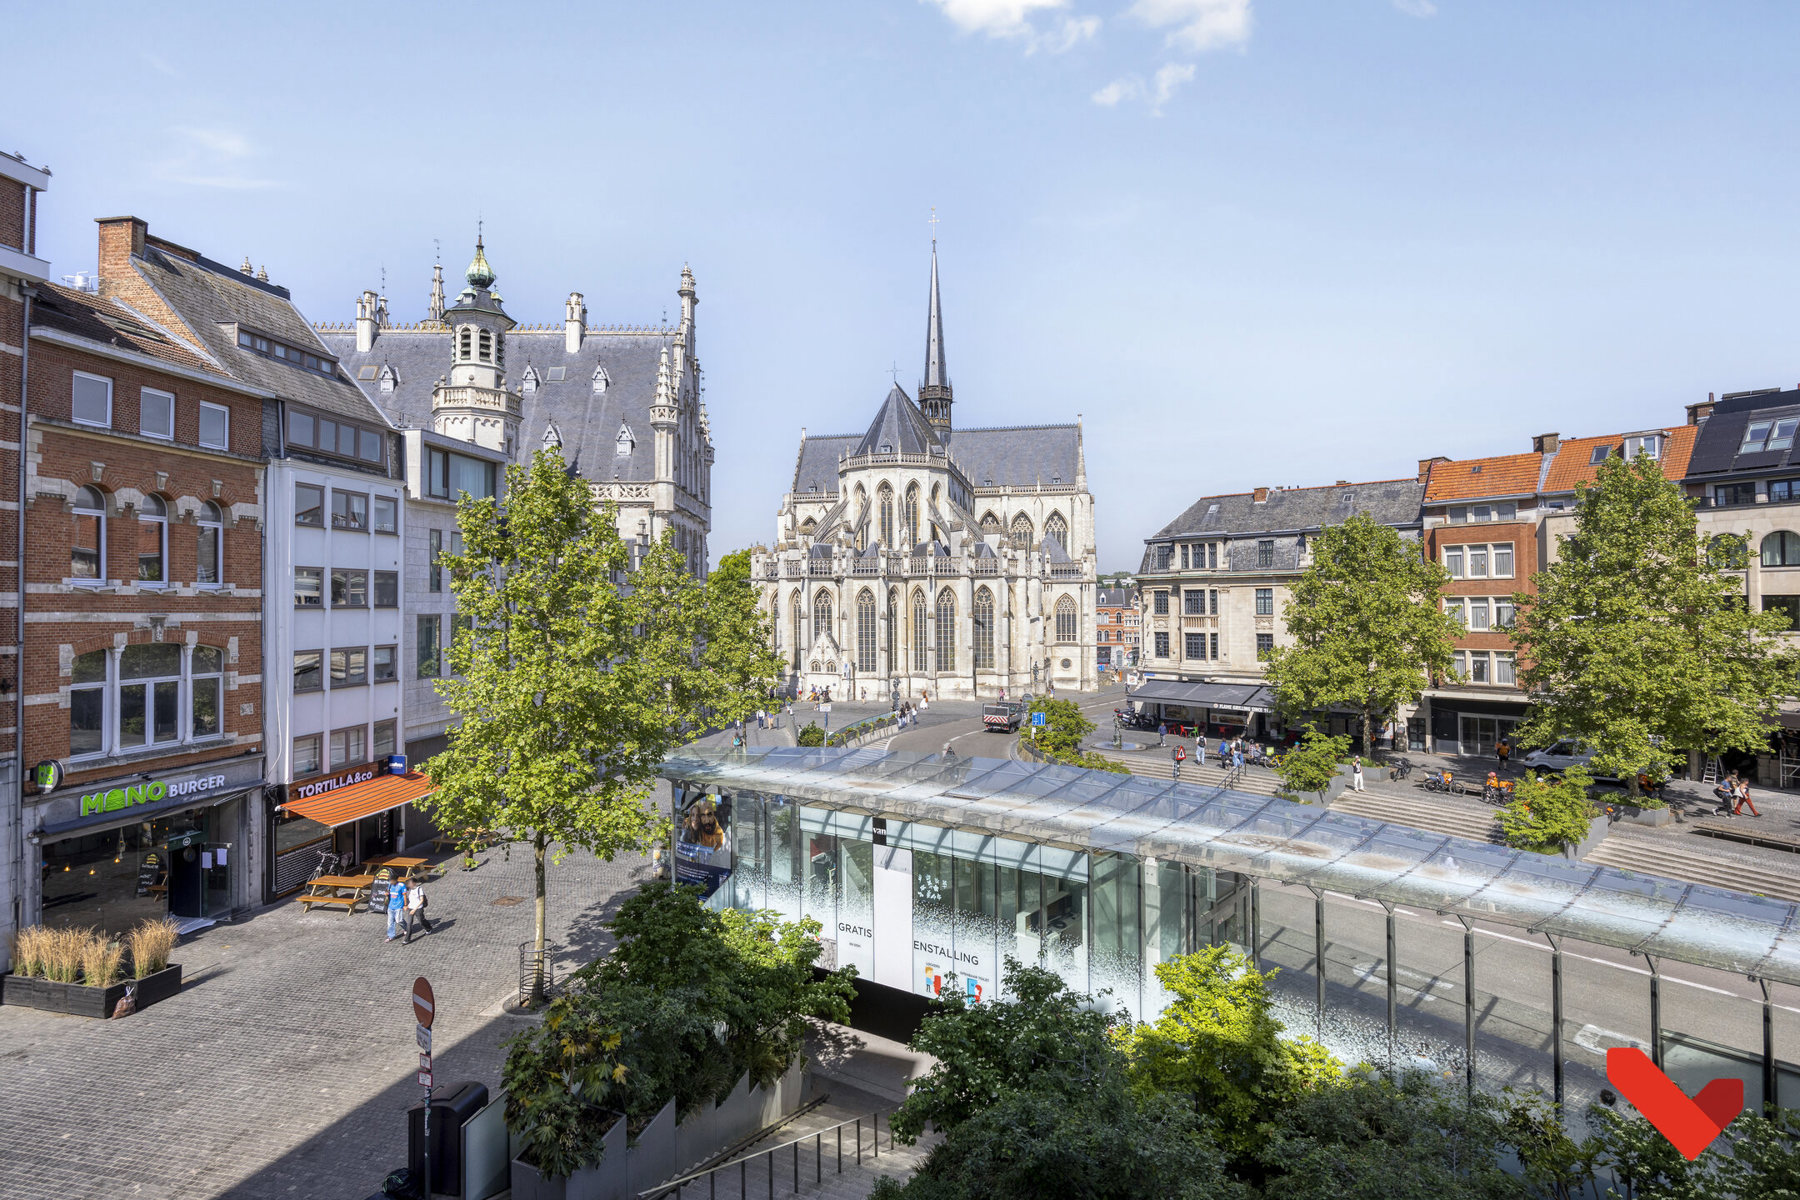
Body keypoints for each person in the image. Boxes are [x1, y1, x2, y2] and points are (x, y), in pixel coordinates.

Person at [386, 878, 408, 942]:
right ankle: (391, 936)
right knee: (390, 922)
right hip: (390, 906)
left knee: (399, 920)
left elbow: (404, 895)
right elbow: (387, 891)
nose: (390, 882)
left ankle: (407, 928)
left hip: (399, 906)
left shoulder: (401, 885)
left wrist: (405, 905)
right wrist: (387, 893)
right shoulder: (390, 885)